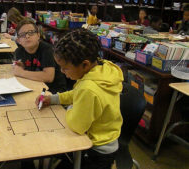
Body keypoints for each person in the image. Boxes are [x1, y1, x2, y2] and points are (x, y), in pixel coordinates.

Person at [35, 29, 123, 169]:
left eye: (65, 68)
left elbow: (77, 126)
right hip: (108, 141)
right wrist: (53, 99)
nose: (62, 72)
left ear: (85, 64)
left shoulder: (89, 88)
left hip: (96, 152)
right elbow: (76, 93)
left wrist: (71, 108)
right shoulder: (102, 69)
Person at [13, 19, 67, 94]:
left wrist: (21, 72)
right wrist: (19, 68)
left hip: (54, 91)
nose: (27, 36)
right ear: (18, 40)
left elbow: (48, 77)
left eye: (31, 33)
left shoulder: (47, 50)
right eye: (22, 34)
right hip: (34, 86)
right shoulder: (19, 52)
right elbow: (19, 68)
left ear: (38, 35)